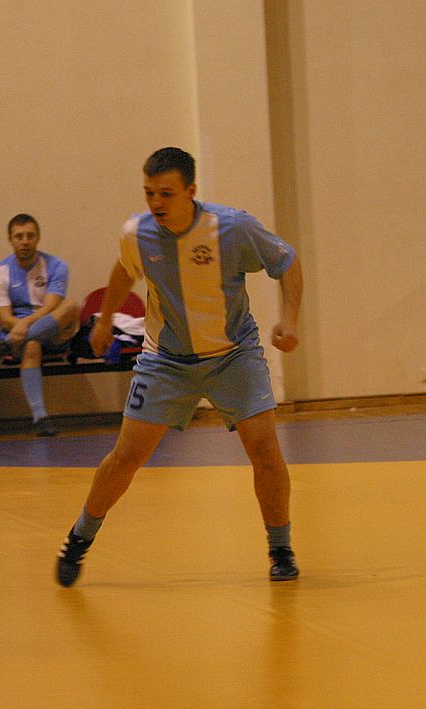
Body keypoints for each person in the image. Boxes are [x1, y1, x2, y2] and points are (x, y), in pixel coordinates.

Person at [55, 147, 304, 586]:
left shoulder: (232, 228)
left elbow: (287, 262)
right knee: (126, 457)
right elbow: (124, 271)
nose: (156, 203)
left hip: (233, 354)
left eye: (166, 194)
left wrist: (290, 320)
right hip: (166, 360)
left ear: (191, 191)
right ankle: (79, 538)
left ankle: (280, 548)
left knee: (265, 450)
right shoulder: (137, 233)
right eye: (149, 193)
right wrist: (106, 320)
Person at [0, 214, 81, 437]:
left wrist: (25, 326)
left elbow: (51, 306)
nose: (25, 241)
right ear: (10, 239)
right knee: (31, 345)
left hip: (48, 331)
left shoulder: (56, 265)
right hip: (17, 333)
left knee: (70, 307)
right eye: (19, 236)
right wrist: (22, 329)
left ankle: (8, 344)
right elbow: (4, 318)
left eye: (30, 236)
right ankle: (40, 417)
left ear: (38, 238)